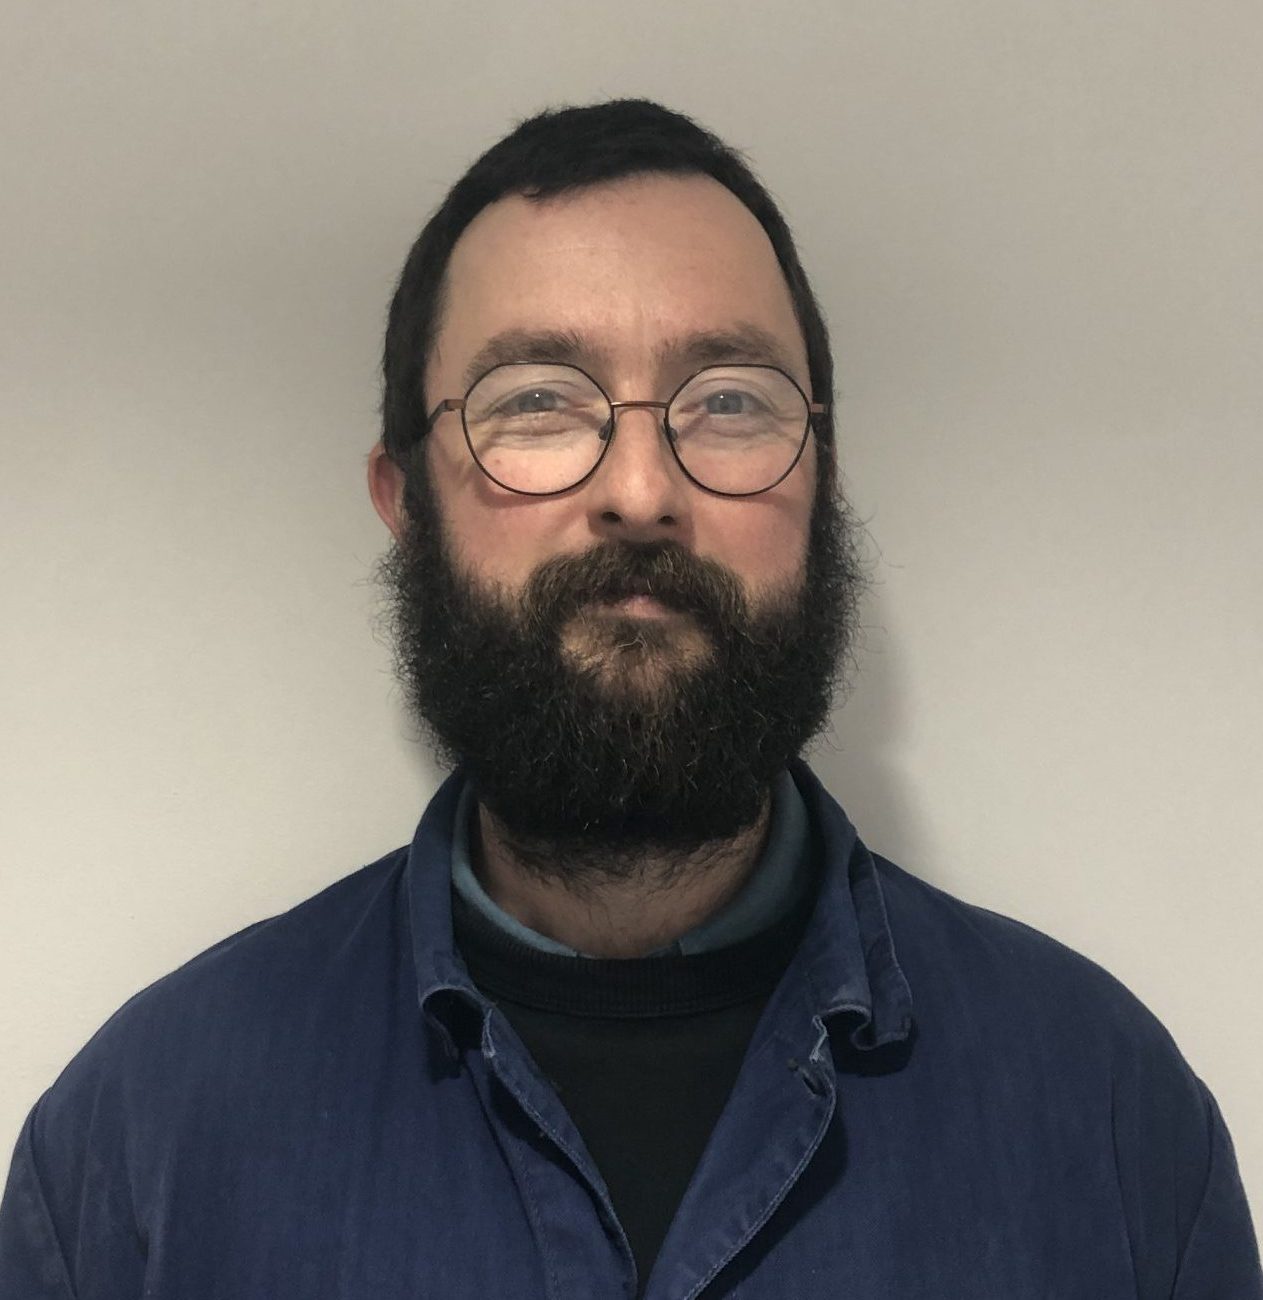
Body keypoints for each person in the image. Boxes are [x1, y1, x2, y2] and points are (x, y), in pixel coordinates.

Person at [0, 98, 1257, 1300]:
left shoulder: (1110, 1119)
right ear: (404, 504)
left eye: (730, 401)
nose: (645, 490)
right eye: (538, 400)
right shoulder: (137, 1148)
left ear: (823, 481)